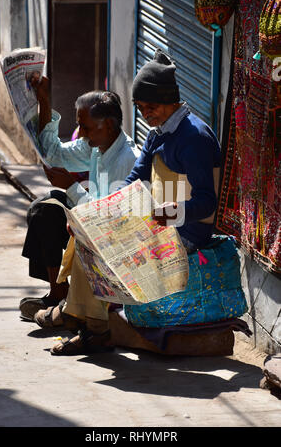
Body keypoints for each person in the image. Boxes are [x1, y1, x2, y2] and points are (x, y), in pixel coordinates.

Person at [48, 48, 244, 356]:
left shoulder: (195, 137)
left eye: (150, 106)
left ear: (170, 100)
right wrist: (99, 218)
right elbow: (133, 183)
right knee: (90, 239)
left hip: (187, 232)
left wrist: (168, 213)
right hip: (160, 222)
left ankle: (93, 329)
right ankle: (90, 324)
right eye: (140, 107)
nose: (145, 114)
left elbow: (207, 203)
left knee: (104, 252)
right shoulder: (157, 134)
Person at [19, 74, 140, 324]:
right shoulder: (95, 145)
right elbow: (53, 154)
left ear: (107, 125)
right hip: (91, 220)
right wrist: (44, 102)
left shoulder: (127, 159)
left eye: (86, 127)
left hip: (114, 239)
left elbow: (106, 219)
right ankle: (58, 292)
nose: (82, 134)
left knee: (57, 204)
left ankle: (78, 309)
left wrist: (72, 186)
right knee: (43, 209)